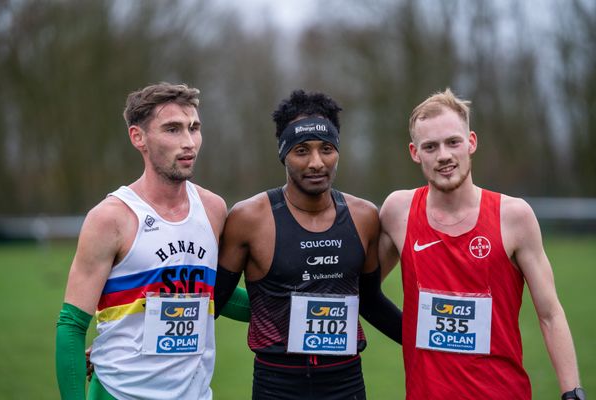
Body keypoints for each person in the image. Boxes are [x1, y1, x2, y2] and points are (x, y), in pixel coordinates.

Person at [379, 88, 584, 399]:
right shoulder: (398, 212)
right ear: (414, 152)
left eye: (453, 142)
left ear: (471, 142)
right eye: (430, 146)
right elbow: (359, 291)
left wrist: (573, 393)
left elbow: (550, 314)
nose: (444, 155)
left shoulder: (514, 217)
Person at [56, 82, 245, 400]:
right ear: (138, 137)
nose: (189, 142)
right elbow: (71, 325)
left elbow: (218, 294)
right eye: (172, 129)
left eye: (194, 128)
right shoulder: (111, 218)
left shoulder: (213, 209)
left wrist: (295, 301)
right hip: (119, 393)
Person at [214, 89, 402, 400]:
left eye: (326, 149)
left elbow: (369, 301)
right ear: (283, 154)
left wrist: (426, 341)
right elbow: (212, 303)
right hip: (276, 385)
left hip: (346, 382)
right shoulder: (250, 218)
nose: (316, 162)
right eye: (302, 150)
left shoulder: (364, 216)